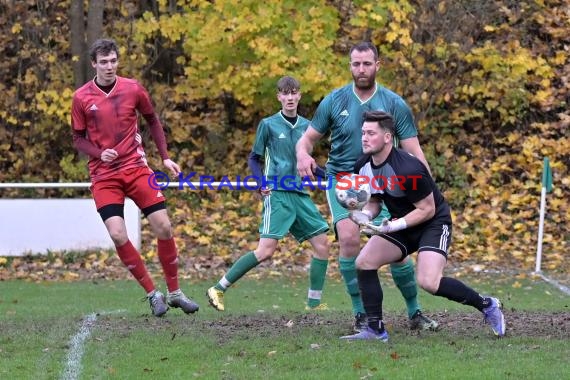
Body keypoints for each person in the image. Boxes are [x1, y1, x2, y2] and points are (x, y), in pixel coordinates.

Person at [296, 41, 437, 331]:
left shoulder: (394, 104)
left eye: (367, 64)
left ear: (377, 66)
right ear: (350, 66)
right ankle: (361, 313)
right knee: (349, 240)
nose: (361, 69)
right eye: (356, 64)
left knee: (395, 248)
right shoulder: (334, 101)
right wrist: (302, 154)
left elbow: (414, 151)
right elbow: (308, 139)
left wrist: (429, 189)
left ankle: (415, 313)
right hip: (343, 181)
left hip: (384, 182)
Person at [339, 111, 506, 341]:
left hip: (433, 222)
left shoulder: (408, 167)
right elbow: (376, 200)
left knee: (429, 281)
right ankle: (375, 330)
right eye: (363, 133)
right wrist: (365, 215)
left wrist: (393, 227)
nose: (364, 138)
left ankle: (487, 305)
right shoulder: (362, 165)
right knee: (364, 262)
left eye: (371, 133)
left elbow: (427, 209)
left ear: (387, 137)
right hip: (401, 223)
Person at [71, 38, 199, 317]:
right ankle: (154, 294)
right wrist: (97, 152)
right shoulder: (81, 97)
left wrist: (164, 157)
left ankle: (175, 293)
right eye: (103, 62)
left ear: (118, 61)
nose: (109, 66)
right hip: (104, 176)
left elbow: (152, 120)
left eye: (113, 61)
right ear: (94, 64)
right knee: (117, 234)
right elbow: (77, 140)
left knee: (164, 227)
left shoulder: (133, 88)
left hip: (138, 168)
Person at [207, 76, 330, 311]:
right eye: (286, 93)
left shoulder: (307, 127)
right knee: (265, 251)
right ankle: (218, 288)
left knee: (323, 245)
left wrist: (333, 180)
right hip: (277, 193)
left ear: (300, 95)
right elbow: (254, 158)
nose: (290, 97)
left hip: (299, 192)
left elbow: (309, 164)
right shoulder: (268, 124)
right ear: (279, 97)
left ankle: (313, 304)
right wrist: (260, 182)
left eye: (294, 92)